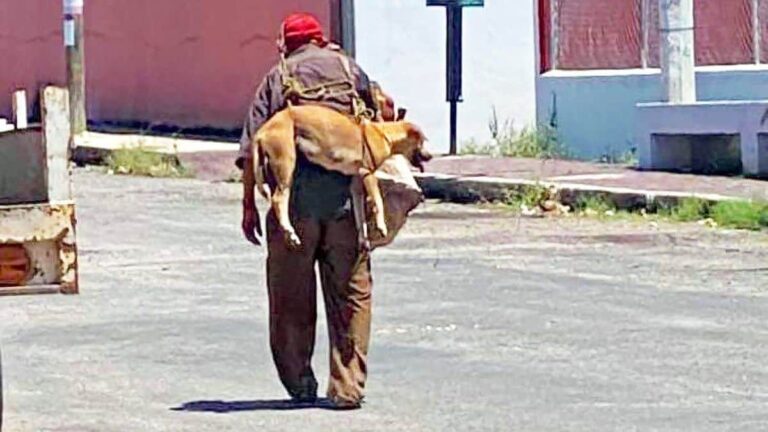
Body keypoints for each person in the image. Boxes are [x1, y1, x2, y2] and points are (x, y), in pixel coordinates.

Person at [237, 12, 382, 409]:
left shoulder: (277, 77)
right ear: (319, 40)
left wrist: (249, 205)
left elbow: (252, 148)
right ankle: (347, 386)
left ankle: (300, 382)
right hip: (344, 206)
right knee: (351, 295)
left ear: (288, 42)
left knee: (290, 298)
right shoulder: (352, 71)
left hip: (294, 211)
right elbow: (379, 133)